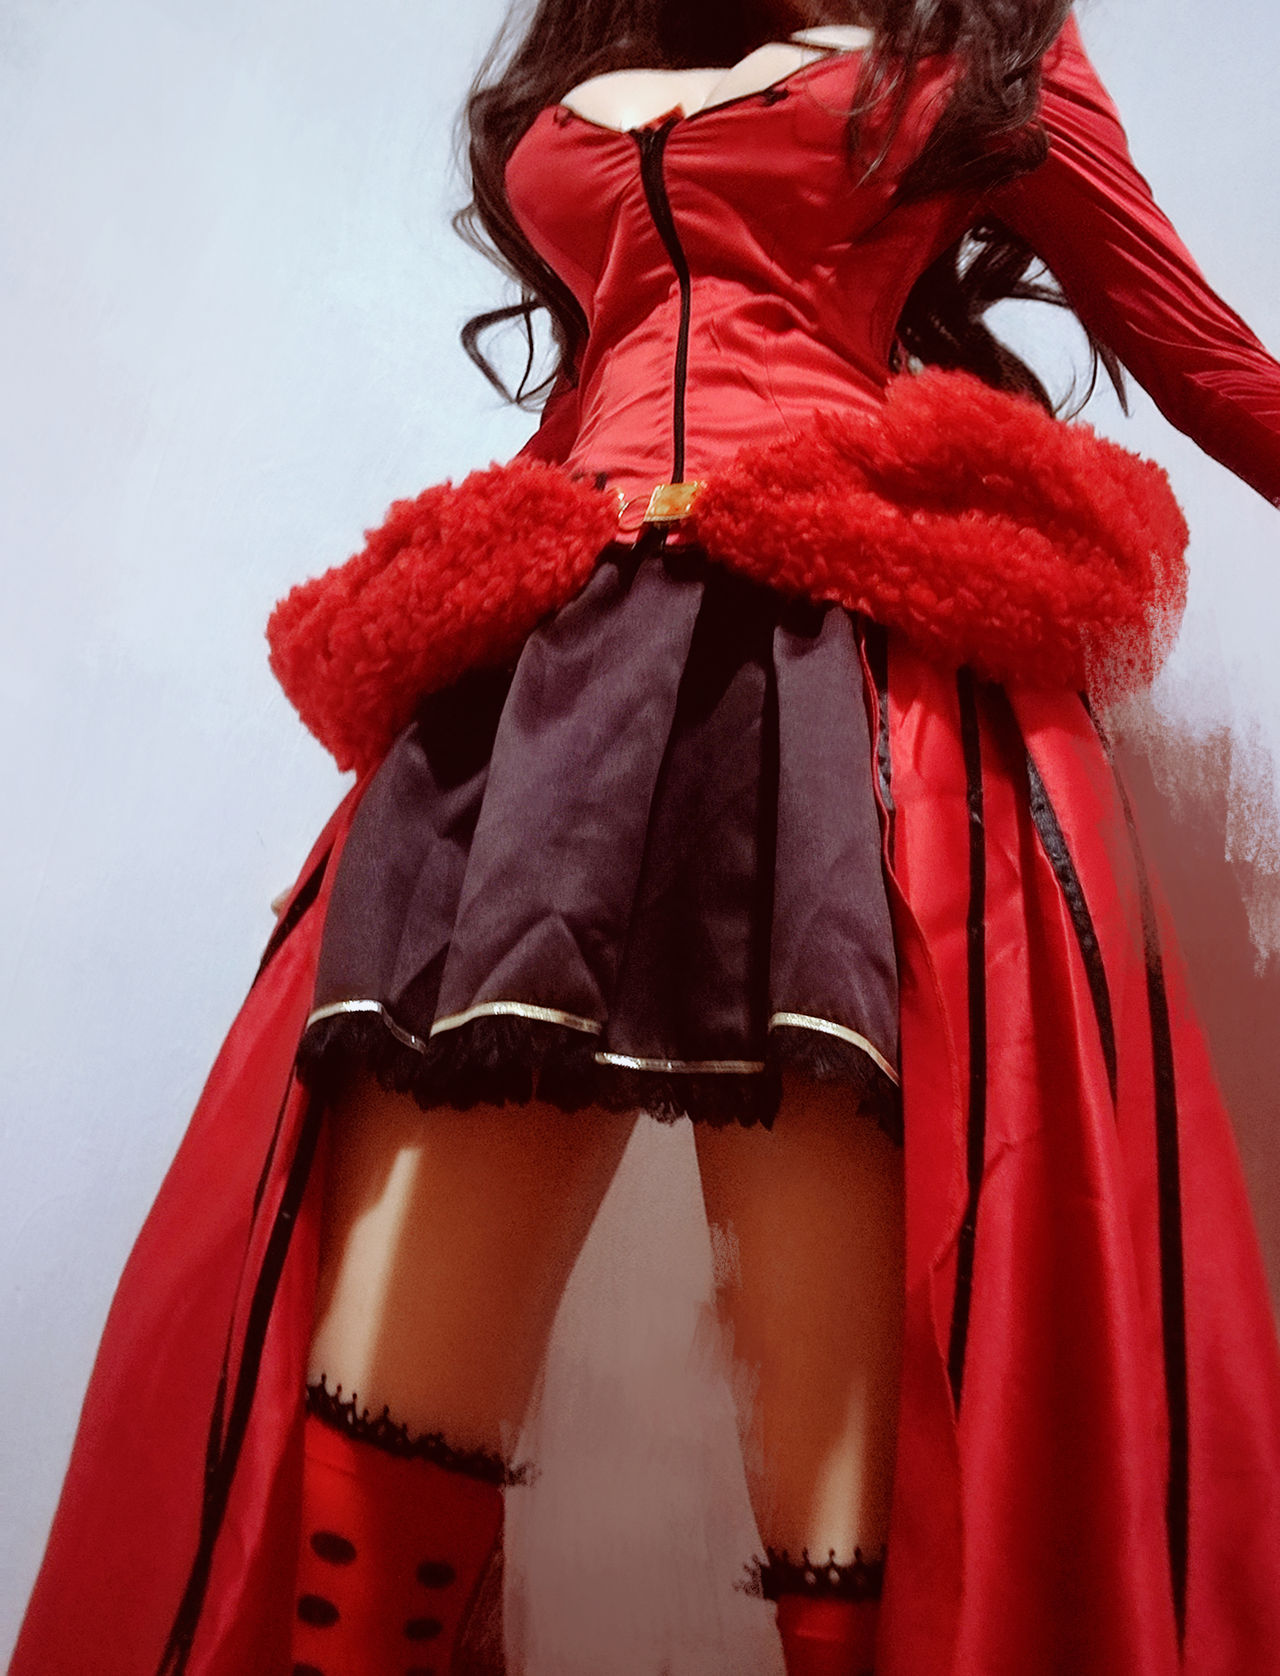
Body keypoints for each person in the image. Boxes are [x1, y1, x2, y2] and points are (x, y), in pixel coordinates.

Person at [11, 2, 1280, 1674]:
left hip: (836, 692)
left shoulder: (993, 47)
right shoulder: (593, 54)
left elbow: (1211, 365)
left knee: (860, 1466)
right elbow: (598, 386)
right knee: (362, 1414)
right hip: (550, 704)